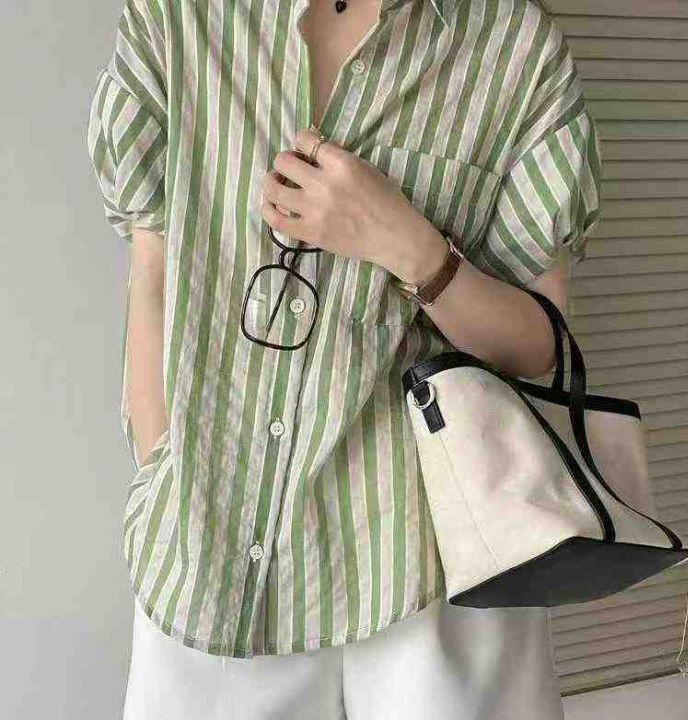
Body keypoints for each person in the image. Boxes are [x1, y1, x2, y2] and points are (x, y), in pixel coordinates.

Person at [85, 0, 602, 717]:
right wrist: (161, 474)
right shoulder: (177, 18)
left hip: (429, 576)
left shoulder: (515, 48)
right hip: (211, 558)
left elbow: (538, 347)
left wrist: (411, 248)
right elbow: (153, 281)